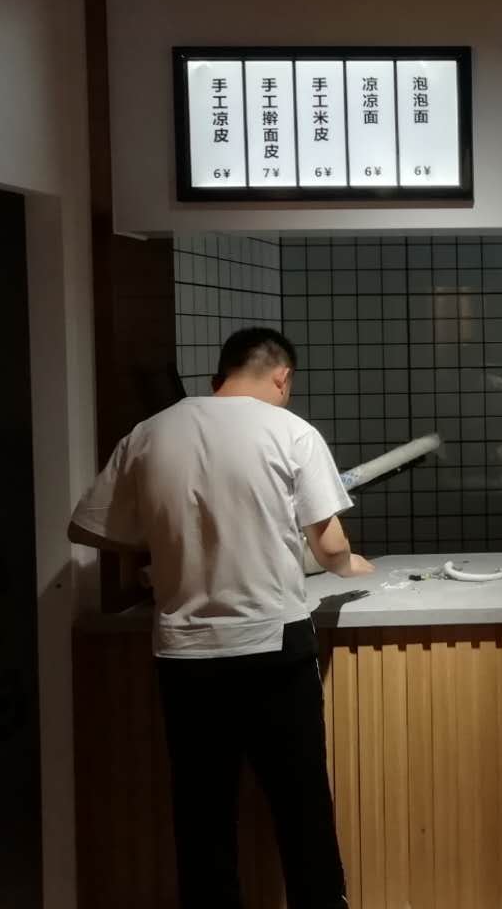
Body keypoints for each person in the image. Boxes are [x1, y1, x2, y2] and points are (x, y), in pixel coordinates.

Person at [68, 327, 373, 909]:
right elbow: (331, 547)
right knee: (301, 805)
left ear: (221, 375)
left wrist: (167, 544)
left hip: (185, 654)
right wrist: (349, 566)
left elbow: (87, 527)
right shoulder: (292, 432)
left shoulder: (150, 432)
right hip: (274, 644)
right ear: (282, 376)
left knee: (202, 813)